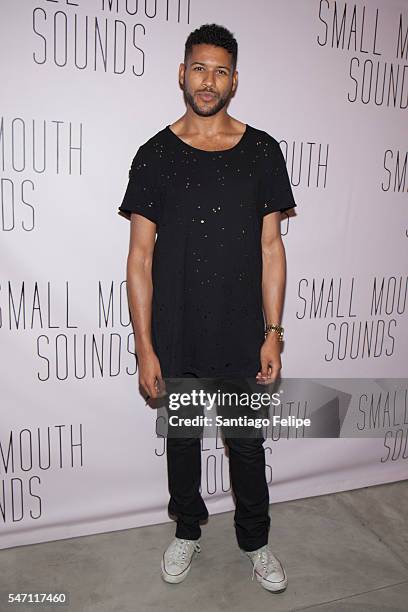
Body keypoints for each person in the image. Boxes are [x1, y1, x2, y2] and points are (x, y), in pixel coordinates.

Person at [118, 23, 297, 593]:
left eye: (220, 70)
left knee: (246, 447)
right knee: (183, 443)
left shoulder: (262, 151)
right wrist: (146, 346)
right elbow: (139, 258)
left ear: (234, 79)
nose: (208, 80)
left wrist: (273, 332)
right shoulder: (155, 155)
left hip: (243, 334)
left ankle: (256, 541)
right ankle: (188, 530)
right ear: (182, 73)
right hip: (177, 336)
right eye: (199, 67)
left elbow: (272, 248)